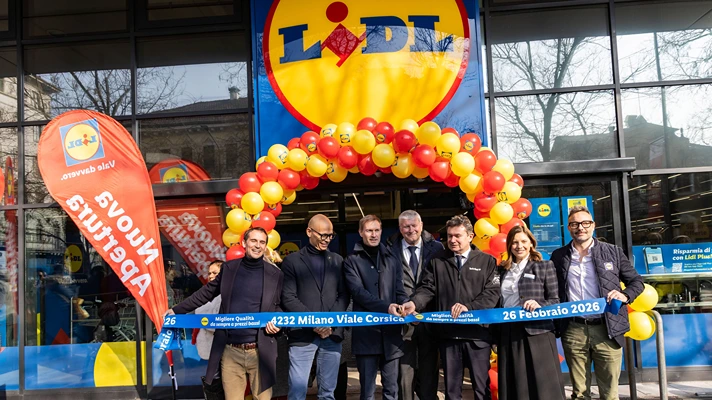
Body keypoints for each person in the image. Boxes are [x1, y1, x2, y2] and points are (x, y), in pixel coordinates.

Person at [165, 227, 283, 400]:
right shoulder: (229, 269)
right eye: (253, 241)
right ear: (244, 243)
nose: (258, 245)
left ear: (265, 246)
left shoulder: (275, 274)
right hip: (231, 350)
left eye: (262, 242)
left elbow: (280, 305)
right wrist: (177, 310)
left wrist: (278, 323)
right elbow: (206, 293)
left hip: (260, 350)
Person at [551, 206, 644, 400]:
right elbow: (551, 289)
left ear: (593, 225)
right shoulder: (559, 256)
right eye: (575, 224)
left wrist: (625, 295)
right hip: (574, 329)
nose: (580, 228)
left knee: (609, 394)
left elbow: (637, 282)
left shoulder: (613, 252)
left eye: (585, 223)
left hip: (607, 328)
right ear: (568, 228)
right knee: (579, 393)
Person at [402, 215, 500, 400]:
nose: (452, 240)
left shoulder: (487, 261)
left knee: (481, 389)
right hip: (449, 336)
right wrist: (414, 303)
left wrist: (468, 307)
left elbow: (492, 293)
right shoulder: (437, 260)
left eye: (457, 236)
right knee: (452, 392)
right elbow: (427, 288)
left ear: (470, 236)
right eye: (449, 236)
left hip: (478, 336)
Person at [281, 214, 350, 400]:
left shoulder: (337, 260)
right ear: (309, 232)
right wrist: (315, 322)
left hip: (331, 334)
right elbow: (288, 297)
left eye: (330, 235)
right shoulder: (292, 261)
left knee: (328, 394)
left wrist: (330, 324)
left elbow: (344, 295)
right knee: (297, 393)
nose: (327, 239)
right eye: (323, 235)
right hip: (302, 334)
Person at [495, 226, 565, 400]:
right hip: (508, 332)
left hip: (538, 332)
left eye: (524, 241)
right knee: (515, 383)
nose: (519, 246)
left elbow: (555, 300)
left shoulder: (544, 266)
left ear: (531, 243)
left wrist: (539, 304)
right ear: (509, 245)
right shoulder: (501, 270)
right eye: (515, 242)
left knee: (542, 385)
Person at [344, 214, 408, 400]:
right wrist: (387, 307)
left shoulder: (392, 257)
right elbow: (358, 293)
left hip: (391, 335)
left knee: (392, 390)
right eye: (369, 230)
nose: (373, 235)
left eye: (377, 230)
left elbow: (399, 290)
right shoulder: (351, 260)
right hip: (366, 335)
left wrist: (406, 304)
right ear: (360, 232)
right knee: (368, 392)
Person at [386, 210, 443, 400]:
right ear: (400, 228)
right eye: (406, 227)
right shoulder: (389, 250)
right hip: (402, 319)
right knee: (404, 372)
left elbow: (437, 283)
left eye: (414, 225)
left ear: (421, 225)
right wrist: (405, 306)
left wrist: (417, 305)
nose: (411, 230)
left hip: (429, 317)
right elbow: (388, 284)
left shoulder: (437, 248)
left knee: (430, 371)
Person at [193, 260, 225, 361]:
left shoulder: (226, 295)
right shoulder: (206, 293)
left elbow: (218, 323)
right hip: (208, 347)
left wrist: (201, 311)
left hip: (221, 349)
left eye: (215, 273)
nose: (211, 276)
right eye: (209, 273)